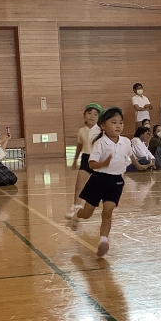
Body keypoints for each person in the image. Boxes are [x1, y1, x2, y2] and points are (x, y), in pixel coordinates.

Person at [67, 107, 137, 257]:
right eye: (114, 122)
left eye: (120, 122)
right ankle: (77, 216)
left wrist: (139, 165)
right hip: (98, 180)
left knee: (108, 211)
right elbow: (91, 164)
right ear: (103, 126)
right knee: (87, 213)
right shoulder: (100, 143)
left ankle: (103, 241)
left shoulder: (126, 142)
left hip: (116, 181)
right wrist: (103, 163)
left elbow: (131, 155)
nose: (118, 125)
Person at [69, 103, 101, 215]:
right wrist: (75, 160)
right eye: (89, 113)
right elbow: (79, 146)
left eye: (95, 114)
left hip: (98, 160)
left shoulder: (102, 131)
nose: (92, 116)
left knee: (101, 185)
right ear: (84, 115)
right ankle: (76, 207)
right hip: (86, 158)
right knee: (79, 184)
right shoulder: (81, 131)